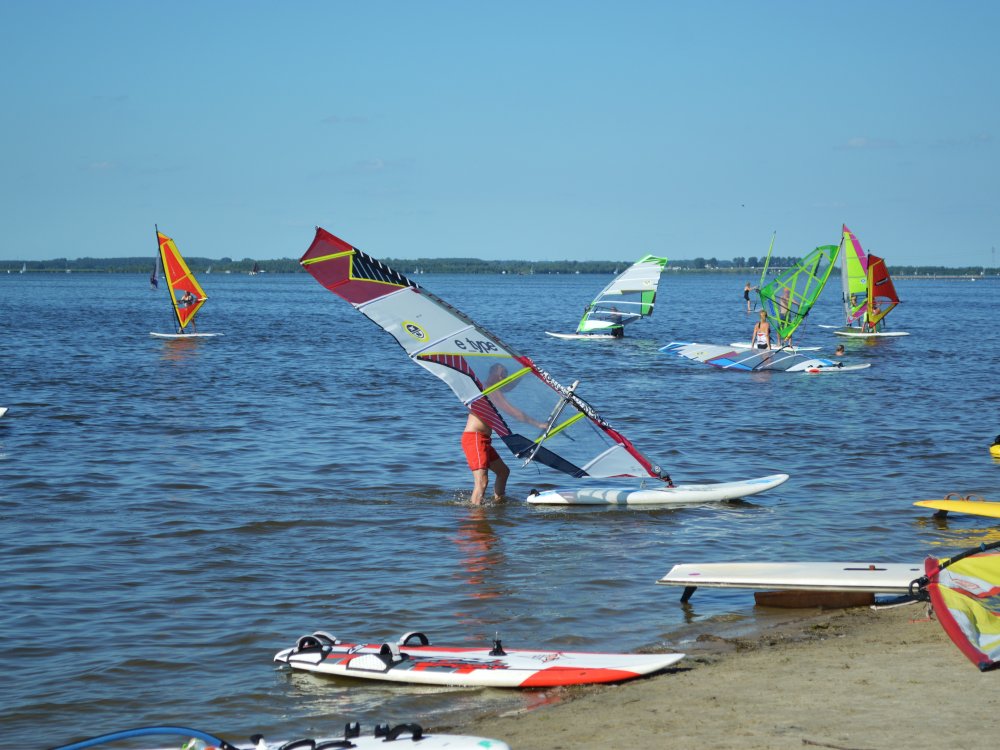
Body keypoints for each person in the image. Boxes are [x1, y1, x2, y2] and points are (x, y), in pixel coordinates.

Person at [461, 363, 545, 505]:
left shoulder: (495, 389)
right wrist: (539, 424)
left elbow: (508, 386)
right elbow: (515, 413)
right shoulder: (488, 389)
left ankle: (499, 503)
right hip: (474, 438)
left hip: (484, 439)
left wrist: (523, 373)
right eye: (500, 374)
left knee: (503, 472)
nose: (502, 377)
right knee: (482, 482)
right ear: (492, 374)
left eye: (504, 375)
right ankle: (476, 517)